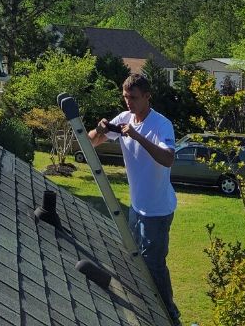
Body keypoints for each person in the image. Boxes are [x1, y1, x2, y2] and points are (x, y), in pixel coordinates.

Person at [88, 73, 181, 325]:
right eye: (125, 97)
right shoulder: (124, 118)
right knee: (133, 259)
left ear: (147, 97)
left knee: (154, 266)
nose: (129, 102)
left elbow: (168, 159)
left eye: (134, 98)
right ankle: (145, 308)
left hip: (158, 211)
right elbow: (91, 142)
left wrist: (138, 136)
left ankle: (169, 316)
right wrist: (100, 128)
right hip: (136, 208)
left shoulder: (161, 125)